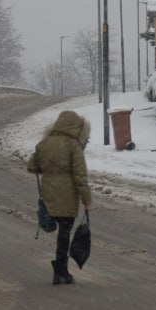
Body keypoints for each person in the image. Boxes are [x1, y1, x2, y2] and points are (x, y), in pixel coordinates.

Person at [27, 110, 92, 284]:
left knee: (60, 230)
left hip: (48, 194)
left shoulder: (44, 143)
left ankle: (60, 269)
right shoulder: (74, 146)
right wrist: (87, 200)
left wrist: (49, 168)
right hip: (67, 195)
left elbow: (32, 166)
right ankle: (61, 271)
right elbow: (80, 176)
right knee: (65, 232)